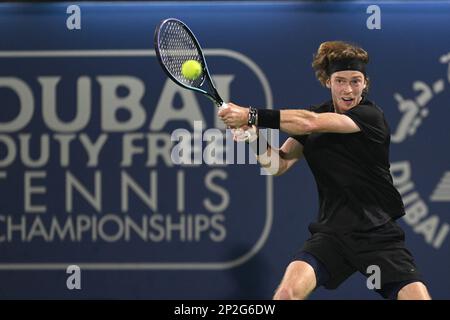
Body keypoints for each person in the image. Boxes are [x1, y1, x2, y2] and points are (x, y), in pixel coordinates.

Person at [218, 41, 431, 300]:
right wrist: (255, 139)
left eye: (356, 81)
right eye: (340, 80)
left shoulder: (370, 117)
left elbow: (309, 123)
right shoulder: (315, 117)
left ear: (365, 84)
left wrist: (249, 115)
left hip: (378, 235)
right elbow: (278, 165)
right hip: (331, 236)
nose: (349, 89)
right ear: (328, 82)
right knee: (286, 293)